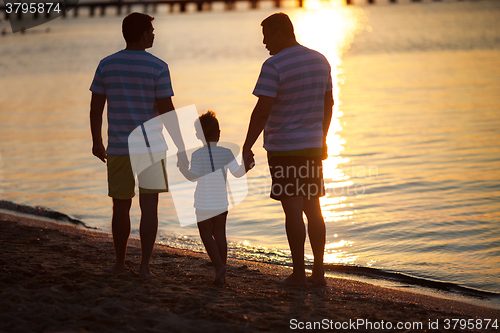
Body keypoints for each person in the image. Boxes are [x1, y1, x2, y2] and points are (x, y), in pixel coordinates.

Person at [89, 12, 187, 278]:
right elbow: (167, 111)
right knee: (149, 207)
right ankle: (144, 267)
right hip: (152, 147)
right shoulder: (158, 67)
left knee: (120, 206)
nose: (154, 35)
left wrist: (97, 141)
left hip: (120, 147)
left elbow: (96, 108)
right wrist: (180, 147)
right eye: (152, 31)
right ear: (144, 34)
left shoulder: (106, 65)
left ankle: (120, 264)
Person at [243, 12, 334, 286]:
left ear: (280, 33)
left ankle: (298, 274)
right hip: (312, 145)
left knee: (293, 211)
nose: (264, 42)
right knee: (313, 209)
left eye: (267, 35)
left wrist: (247, 146)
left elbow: (261, 112)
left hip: (284, 148)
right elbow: (328, 104)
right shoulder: (320, 60)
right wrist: (322, 137)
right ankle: (318, 271)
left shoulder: (274, 65)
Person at [178, 111, 246, 285]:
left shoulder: (197, 155)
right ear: (219, 133)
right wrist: (249, 165)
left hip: (203, 202)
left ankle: (219, 267)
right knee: (220, 234)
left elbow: (192, 176)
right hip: (221, 201)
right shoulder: (227, 152)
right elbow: (238, 173)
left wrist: (182, 168)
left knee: (206, 235)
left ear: (198, 136)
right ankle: (220, 272)